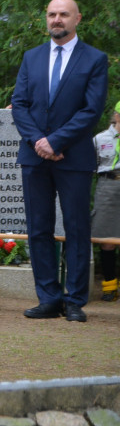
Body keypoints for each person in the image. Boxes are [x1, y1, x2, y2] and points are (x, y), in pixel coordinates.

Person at [12, 0, 108, 323]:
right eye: (52, 14)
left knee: (77, 228)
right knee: (39, 228)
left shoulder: (94, 59)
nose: (57, 20)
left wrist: (55, 140)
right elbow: (20, 104)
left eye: (63, 14)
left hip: (74, 158)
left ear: (77, 18)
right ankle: (49, 297)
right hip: (34, 157)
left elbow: (91, 110)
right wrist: (39, 142)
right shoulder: (32, 57)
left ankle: (75, 300)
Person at [92, 101, 120, 301]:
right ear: (117, 115)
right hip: (108, 185)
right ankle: (110, 286)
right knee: (106, 239)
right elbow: (90, 166)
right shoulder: (100, 139)